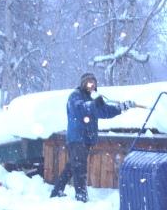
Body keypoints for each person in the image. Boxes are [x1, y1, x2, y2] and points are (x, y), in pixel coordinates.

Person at [50, 72, 136, 202]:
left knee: (72, 166)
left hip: (86, 139)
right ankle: (81, 197)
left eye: (94, 83)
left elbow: (106, 111)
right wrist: (94, 104)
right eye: (89, 82)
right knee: (80, 168)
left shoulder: (92, 99)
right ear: (83, 83)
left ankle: (57, 191)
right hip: (77, 138)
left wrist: (122, 107)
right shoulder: (75, 96)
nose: (91, 85)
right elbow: (81, 108)